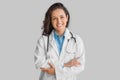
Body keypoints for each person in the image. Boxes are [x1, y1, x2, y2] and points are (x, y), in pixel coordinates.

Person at [34, 2, 85, 80]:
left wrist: (55, 71)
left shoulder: (77, 40)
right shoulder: (43, 40)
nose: (59, 21)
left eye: (62, 17)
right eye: (54, 18)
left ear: (67, 18)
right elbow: (39, 63)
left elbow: (79, 66)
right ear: (50, 21)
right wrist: (66, 64)